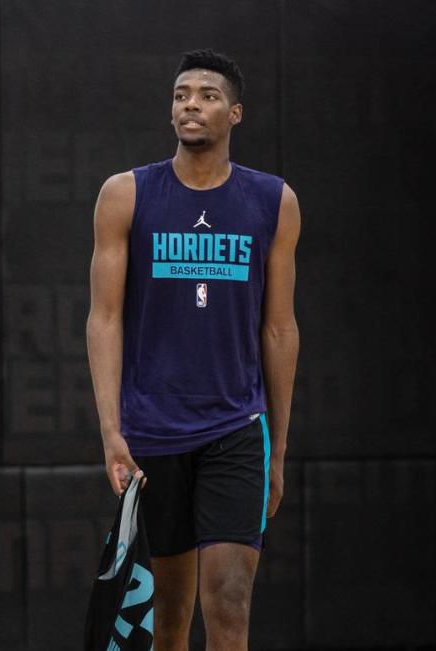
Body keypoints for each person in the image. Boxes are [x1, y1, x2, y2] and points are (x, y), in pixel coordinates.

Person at [87, 48, 300, 651]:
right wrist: (111, 430)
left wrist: (277, 447)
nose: (190, 105)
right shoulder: (125, 195)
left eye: (207, 95)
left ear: (235, 113)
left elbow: (280, 329)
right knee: (172, 616)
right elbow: (104, 319)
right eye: (181, 94)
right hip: (153, 431)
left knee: (228, 602)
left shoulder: (273, 201)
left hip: (236, 426)